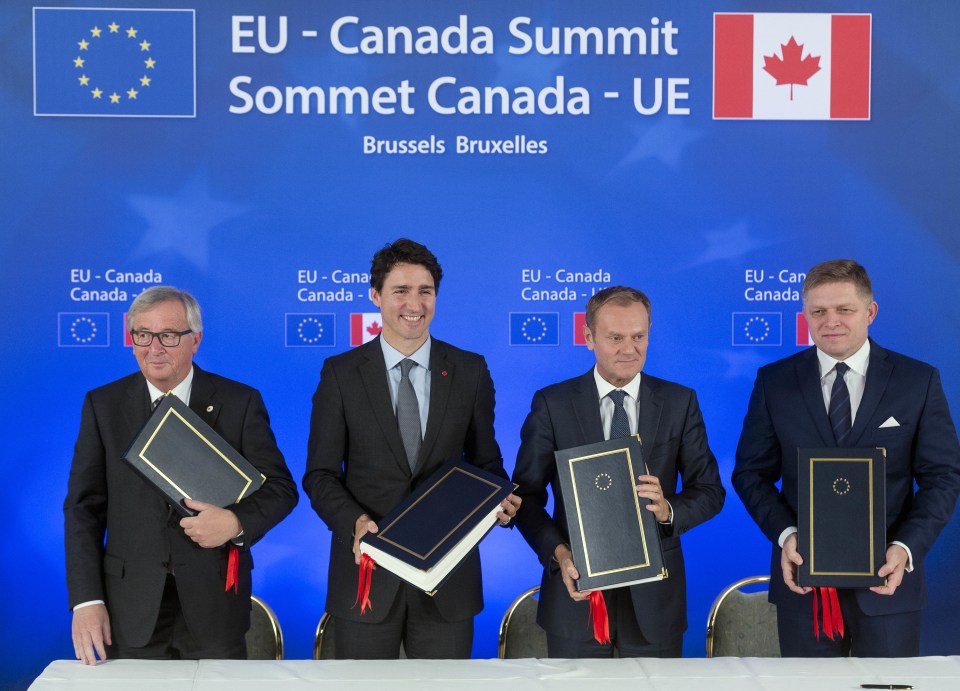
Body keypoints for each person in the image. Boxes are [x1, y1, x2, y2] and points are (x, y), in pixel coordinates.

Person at [302, 238, 520, 659]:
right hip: (367, 576)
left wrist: (501, 500)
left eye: (425, 291)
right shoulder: (341, 374)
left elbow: (486, 462)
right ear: (376, 296)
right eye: (400, 290)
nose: (413, 303)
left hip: (447, 582)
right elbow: (320, 474)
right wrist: (356, 522)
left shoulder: (470, 370)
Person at [732, 259, 960, 657]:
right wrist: (787, 536)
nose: (830, 321)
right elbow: (751, 474)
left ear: (870, 312)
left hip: (888, 587)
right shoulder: (774, 382)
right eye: (818, 311)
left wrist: (906, 548)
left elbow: (943, 477)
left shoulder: (917, 381)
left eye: (844, 310)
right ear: (805, 315)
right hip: (803, 585)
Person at [64, 286, 298, 664]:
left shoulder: (239, 402)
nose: (154, 347)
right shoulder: (103, 406)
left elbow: (282, 490)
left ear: (196, 340)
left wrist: (235, 522)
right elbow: (83, 510)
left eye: (169, 336)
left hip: (215, 608)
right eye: (142, 334)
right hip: (129, 610)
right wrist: (86, 600)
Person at [512, 286, 725, 657]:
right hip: (576, 597)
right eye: (615, 338)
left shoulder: (679, 402)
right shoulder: (552, 404)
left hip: (655, 605)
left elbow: (709, 491)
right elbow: (525, 498)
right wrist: (560, 553)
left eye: (639, 336)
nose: (629, 349)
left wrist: (668, 510)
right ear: (588, 336)